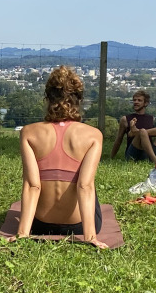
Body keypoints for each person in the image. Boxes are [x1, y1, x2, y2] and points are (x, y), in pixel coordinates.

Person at [17, 66, 108, 248]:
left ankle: (25, 229)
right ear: (79, 100)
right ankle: (88, 232)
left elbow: (32, 185)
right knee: (86, 181)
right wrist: (91, 237)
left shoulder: (28, 132)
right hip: (78, 226)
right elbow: (85, 186)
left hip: (40, 224)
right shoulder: (93, 135)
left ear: (48, 98)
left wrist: (22, 234)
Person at [111, 90, 156, 163]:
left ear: (145, 103)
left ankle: (137, 133)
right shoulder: (125, 119)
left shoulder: (151, 118)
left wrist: (138, 132)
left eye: (139, 100)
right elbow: (119, 139)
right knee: (142, 131)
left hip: (147, 151)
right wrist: (112, 157)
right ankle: (155, 160)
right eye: (134, 100)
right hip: (133, 154)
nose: (136, 102)